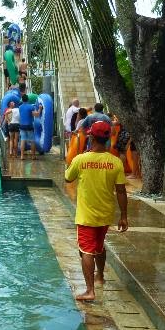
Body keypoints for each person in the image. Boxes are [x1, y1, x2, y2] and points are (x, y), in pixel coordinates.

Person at [65, 120, 128, 301]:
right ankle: (100, 276)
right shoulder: (115, 162)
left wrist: (79, 157)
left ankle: (90, 290)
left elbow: (68, 178)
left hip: (86, 216)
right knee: (98, 247)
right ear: (108, 138)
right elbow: (122, 191)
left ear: (91, 136)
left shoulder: (81, 159)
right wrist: (123, 216)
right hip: (106, 214)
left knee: (86, 250)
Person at [19, 94, 42, 160]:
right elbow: (37, 115)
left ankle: (22, 156)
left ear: (22, 100)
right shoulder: (31, 107)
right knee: (32, 141)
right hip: (29, 125)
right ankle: (33, 156)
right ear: (28, 99)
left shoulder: (20, 107)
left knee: (23, 140)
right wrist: (40, 109)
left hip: (22, 126)